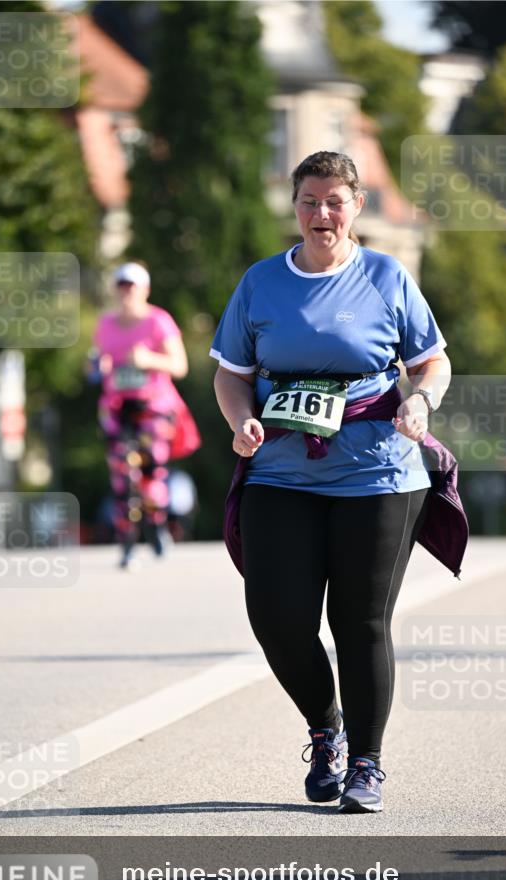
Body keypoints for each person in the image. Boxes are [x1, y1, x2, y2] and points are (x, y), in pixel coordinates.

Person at [210, 151, 467, 814]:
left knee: (359, 622)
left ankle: (366, 764)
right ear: (293, 205)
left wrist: (420, 400)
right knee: (277, 618)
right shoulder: (261, 282)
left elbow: (431, 361)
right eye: (308, 201)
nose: (320, 213)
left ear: (356, 206)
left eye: (333, 201)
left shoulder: (386, 276)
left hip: (378, 473)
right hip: (280, 472)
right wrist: (240, 421)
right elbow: (231, 374)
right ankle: (326, 728)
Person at [92, 261, 201, 568]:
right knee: (122, 476)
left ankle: (155, 526)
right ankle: (127, 543)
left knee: (152, 472)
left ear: (145, 290)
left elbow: (179, 366)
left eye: (132, 286)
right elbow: (98, 366)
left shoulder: (158, 321)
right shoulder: (105, 324)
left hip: (153, 407)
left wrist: (148, 359)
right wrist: (98, 367)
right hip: (117, 408)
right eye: (122, 286)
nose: (126, 292)